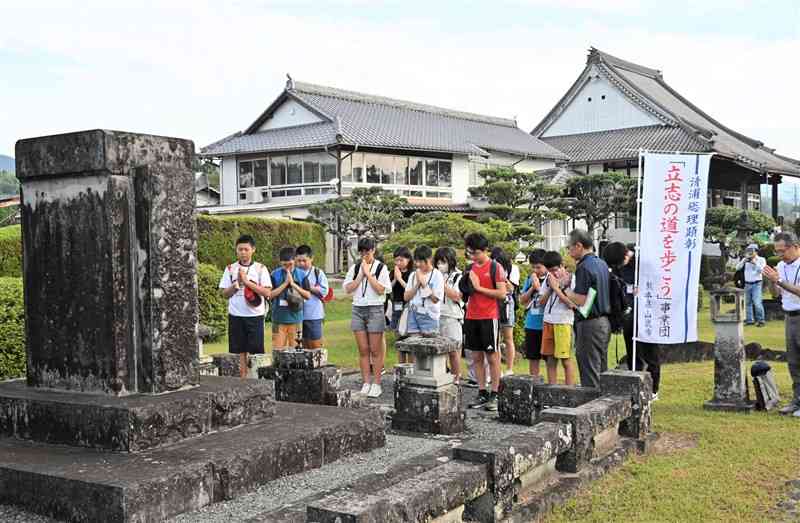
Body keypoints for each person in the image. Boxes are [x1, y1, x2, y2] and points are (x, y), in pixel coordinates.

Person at [603, 242, 661, 399]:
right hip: (628, 314)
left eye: (619, 263)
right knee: (632, 352)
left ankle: (654, 389)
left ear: (625, 255)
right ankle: (635, 385)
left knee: (651, 352)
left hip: (646, 313)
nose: (617, 266)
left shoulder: (644, 264)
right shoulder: (617, 268)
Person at [460, 233, 507, 411]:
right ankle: (482, 391)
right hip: (471, 315)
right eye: (470, 252)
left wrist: (479, 287)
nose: (473, 256)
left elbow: (502, 293)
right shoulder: (469, 268)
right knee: (476, 357)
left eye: (476, 252)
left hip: (489, 316)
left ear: (485, 250)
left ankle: (495, 393)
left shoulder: (496, 267)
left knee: (493, 357)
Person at [218, 235, 272, 378]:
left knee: (256, 352)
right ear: (236, 250)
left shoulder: (261, 268)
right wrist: (236, 286)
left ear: (253, 250)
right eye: (240, 249)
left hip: (255, 316)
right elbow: (224, 293)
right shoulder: (230, 268)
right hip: (236, 316)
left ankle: (256, 380)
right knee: (238, 351)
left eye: (246, 249)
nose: (243, 252)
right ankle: (241, 380)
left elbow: (267, 292)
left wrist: (248, 283)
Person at [344, 237, 392, 398]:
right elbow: (348, 289)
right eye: (362, 251)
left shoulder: (381, 268)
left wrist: (368, 275)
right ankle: (366, 382)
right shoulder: (355, 267)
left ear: (373, 250)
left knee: (375, 349)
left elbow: (381, 290)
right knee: (363, 349)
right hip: (358, 309)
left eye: (368, 251)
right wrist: (360, 275)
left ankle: (377, 383)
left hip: (375, 309)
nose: (365, 254)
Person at [564, 229, 611, 389]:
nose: (569, 252)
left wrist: (565, 289)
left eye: (569, 248)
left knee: (589, 372)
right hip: (604, 322)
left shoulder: (583, 267)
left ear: (578, 246)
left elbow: (582, 300)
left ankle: (591, 409)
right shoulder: (601, 263)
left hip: (589, 323)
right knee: (601, 371)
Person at [763, 232, 800, 417]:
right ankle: (797, 401)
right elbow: (776, 294)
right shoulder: (780, 265)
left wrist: (779, 280)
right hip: (790, 317)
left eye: (782, 251)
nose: (779, 255)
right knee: (793, 362)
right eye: (776, 251)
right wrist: (771, 281)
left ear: (795, 246)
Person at [539, 251, 577, 385]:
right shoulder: (548, 280)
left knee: (565, 359)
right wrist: (550, 288)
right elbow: (541, 302)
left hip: (563, 322)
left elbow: (572, 304)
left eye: (555, 270)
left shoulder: (571, 279)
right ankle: (552, 390)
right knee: (550, 359)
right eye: (549, 271)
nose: (553, 273)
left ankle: (569, 391)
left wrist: (557, 288)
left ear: (562, 265)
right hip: (548, 320)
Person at [270, 247, 311, 350]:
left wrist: (293, 284)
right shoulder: (275, 274)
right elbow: (269, 295)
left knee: (296, 351)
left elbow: (308, 295)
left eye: (290, 265)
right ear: (280, 263)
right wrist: (285, 284)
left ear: (295, 261)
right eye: (285, 265)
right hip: (278, 320)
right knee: (278, 351)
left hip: (296, 320)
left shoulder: (302, 275)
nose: (287, 268)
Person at [434, 247, 463, 383]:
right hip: (437, 315)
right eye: (438, 262)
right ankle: (443, 376)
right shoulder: (435, 274)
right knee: (439, 350)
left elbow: (457, 296)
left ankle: (456, 378)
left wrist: (443, 285)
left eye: (443, 261)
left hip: (452, 316)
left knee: (454, 350)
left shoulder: (458, 276)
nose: (440, 265)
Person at [403, 245, 445, 336]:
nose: (418, 264)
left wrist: (424, 284)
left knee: (429, 347)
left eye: (421, 261)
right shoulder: (413, 275)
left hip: (429, 315)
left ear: (429, 259)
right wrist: (417, 283)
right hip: (413, 314)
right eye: (416, 261)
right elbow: (406, 297)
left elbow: (435, 299)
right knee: (414, 345)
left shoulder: (437, 275)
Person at [491, 247, 520, 376]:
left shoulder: (513, 269)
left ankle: (509, 368)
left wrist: (502, 276)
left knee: (508, 338)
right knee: (494, 338)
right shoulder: (490, 268)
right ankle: (497, 369)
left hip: (506, 303)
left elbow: (511, 288)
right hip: (493, 302)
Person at [519, 249, 548, 378]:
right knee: (533, 357)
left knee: (549, 359)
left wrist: (539, 288)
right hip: (532, 324)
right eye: (533, 267)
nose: (536, 270)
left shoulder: (550, 279)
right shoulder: (530, 279)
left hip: (547, 323)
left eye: (539, 267)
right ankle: (534, 383)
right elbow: (522, 300)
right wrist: (532, 287)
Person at [295, 245, 329, 350]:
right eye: (299, 261)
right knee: (301, 346)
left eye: (304, 260)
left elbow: (324, 291)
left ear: (311, 258)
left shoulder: (318, 273)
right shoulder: (294, 272)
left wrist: (309, 287)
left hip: (314, 315)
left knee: (315, 346)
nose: (301, 263)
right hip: (297, 316)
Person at [390, 246, 413, 362]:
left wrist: (399, 279)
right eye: (396, 260)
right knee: (398, 337)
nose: (398, 263)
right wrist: (395, 278)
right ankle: (401, 365)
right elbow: (388, 288)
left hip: (408, 307)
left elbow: (410, 290)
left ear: (408, 260)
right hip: (396, 306)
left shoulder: (412, 273)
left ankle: (411, 366)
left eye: (401, 260)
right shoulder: (393, 272)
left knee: (409, 338)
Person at [737, 243, 767, 327]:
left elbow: (762, 271)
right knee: (748, 303)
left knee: (757, 302)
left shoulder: (761, 259)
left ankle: (761, 320)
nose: (750, 253)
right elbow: (737, 268)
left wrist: (755, 263)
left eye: (751, 251)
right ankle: (750, 320)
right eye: (748, 251)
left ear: (756, 251)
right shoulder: (746, 260)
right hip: (747, 284)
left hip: (757, 283)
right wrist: (743, 261)